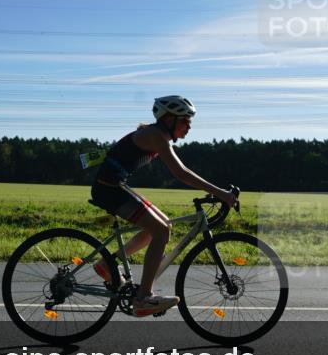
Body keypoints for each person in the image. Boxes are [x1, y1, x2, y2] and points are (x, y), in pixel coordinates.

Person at [90, 96, 237, 317]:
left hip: (113, 185)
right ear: (169, 118)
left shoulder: (156, 134)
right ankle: (143, 298)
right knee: (160, 231)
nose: (189, 126)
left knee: (163, 225)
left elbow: (182, 172)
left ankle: (106, 265)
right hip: (108, 189)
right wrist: (221, 193)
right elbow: (182, 173)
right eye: (185, 120)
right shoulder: (156, 136)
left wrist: (214, 191)